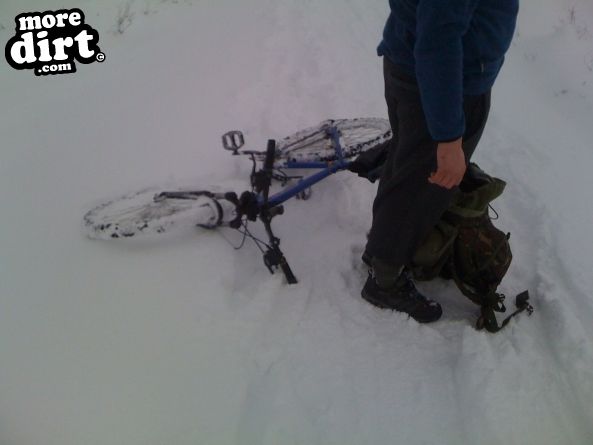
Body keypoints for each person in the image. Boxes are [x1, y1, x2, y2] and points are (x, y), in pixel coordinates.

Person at [362, 0, 519, 323]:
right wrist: (448, 139)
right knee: (425, 184)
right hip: (441, 83)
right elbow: (438, 42)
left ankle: (381, 251)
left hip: (419, 67)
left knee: (408, 169)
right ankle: (386, 278)